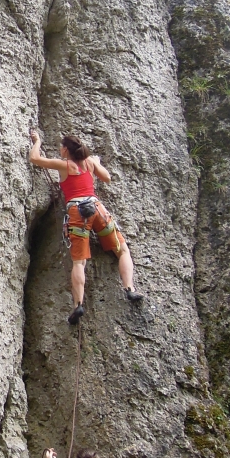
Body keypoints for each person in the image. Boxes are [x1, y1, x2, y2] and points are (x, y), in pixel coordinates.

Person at [29, 130, 142, 324]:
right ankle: (129, 288)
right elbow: (107, 178)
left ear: (65, 150)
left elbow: (35, 158)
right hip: (98, 209)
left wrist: (37, 140)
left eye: (60, 148)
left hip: (77, 212)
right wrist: (96, 163)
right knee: (123, 250)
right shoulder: (89, 163)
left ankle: (78, 305)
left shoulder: (65, 165)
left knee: (79, 262)